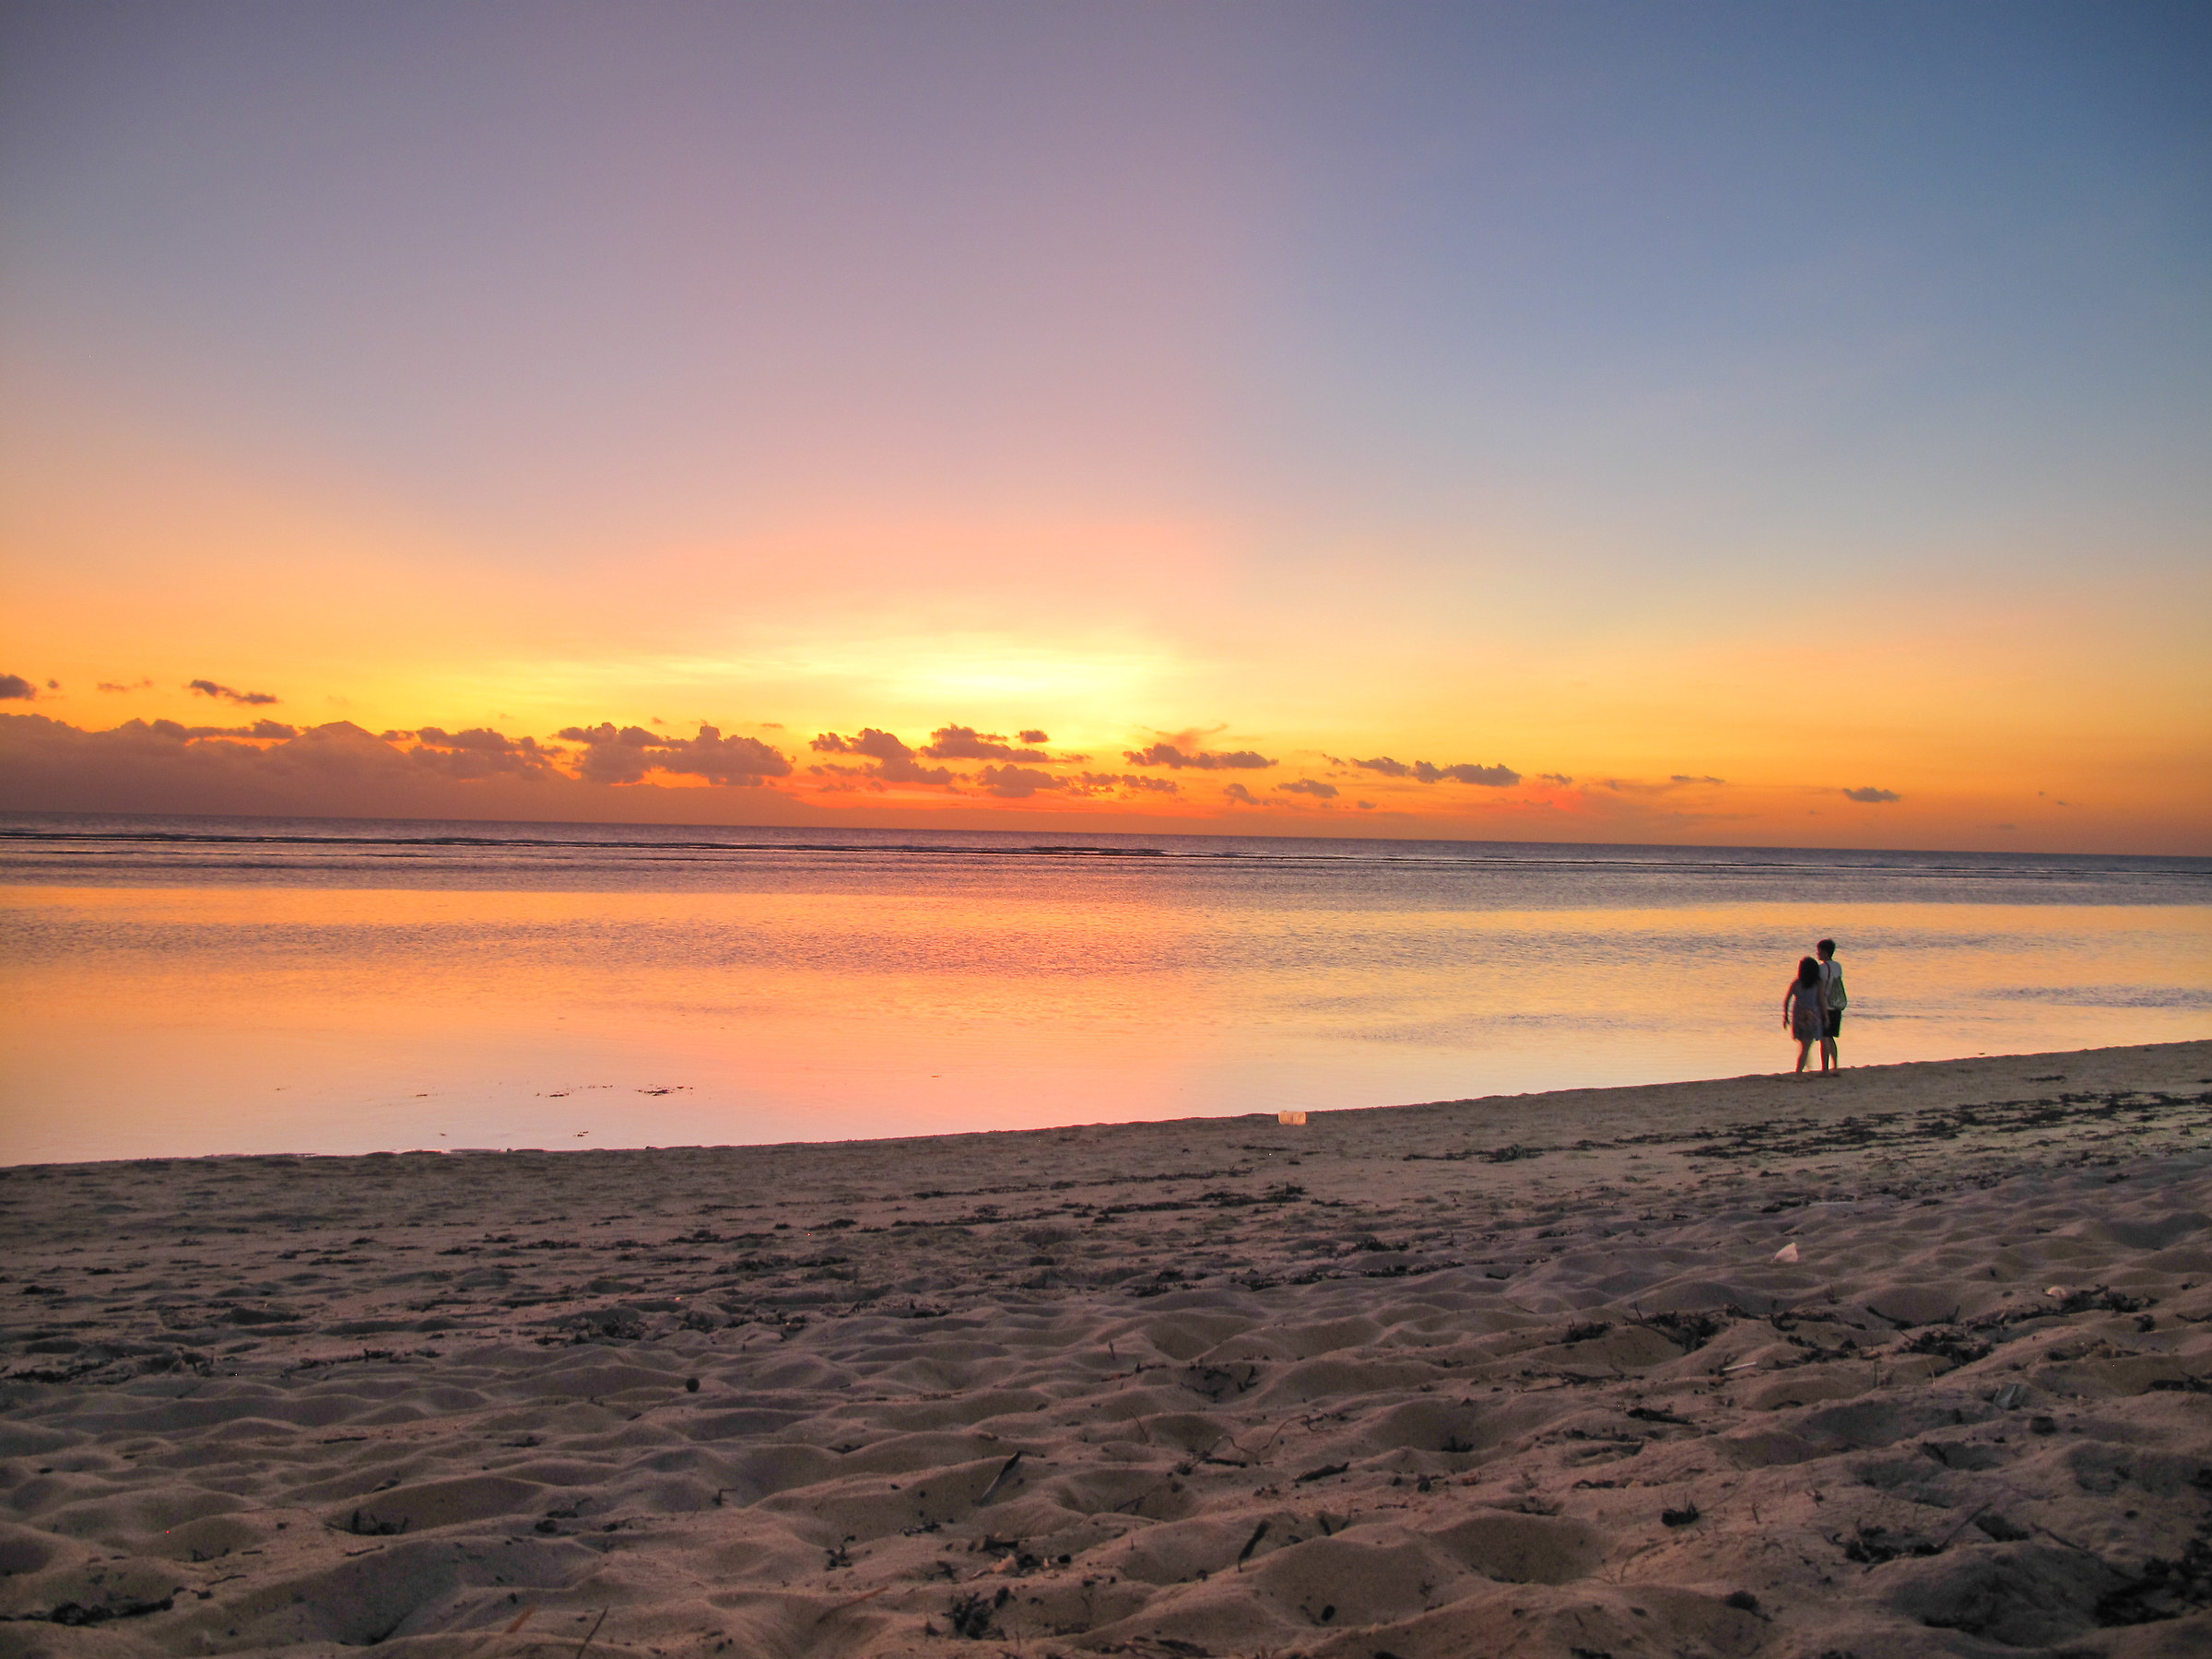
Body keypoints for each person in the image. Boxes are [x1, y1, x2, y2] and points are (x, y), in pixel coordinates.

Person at [1783, 955, 1828, 1074]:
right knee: (1806, 1048)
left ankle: (1806, 1069)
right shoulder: (1818, 983)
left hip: (1799, 1016)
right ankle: (1799, 1072)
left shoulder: (1797, 983)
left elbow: (1787, 1000)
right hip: (1812, 1017)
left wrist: (1786, 1016)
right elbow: (1821, 1001)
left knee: (1804, 1046)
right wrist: (1826, 1017)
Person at [1815, 937, 1846, 1071]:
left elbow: (1821, 989)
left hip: (1826, 1005)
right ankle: (1835, 1066)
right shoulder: (1838, 966)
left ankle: (1825, 1068)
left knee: (1824, 1038)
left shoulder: (1822, 968)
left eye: (1819, 951)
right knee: (1831, 1037)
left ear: (1826, 953)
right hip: (1837, 1004)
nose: (1818, 954)